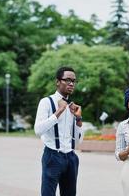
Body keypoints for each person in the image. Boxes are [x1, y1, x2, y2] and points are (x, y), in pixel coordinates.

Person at [34, 66, 83, 196]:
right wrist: (59, 111)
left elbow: (78, 141)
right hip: (52, 156)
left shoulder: (73, 107)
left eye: (74, 81)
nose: (71, 83)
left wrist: (78, 119)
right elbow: (38, 130)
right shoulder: (46, 102)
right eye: (67, 80)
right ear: (57, 82)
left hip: (71, 157)